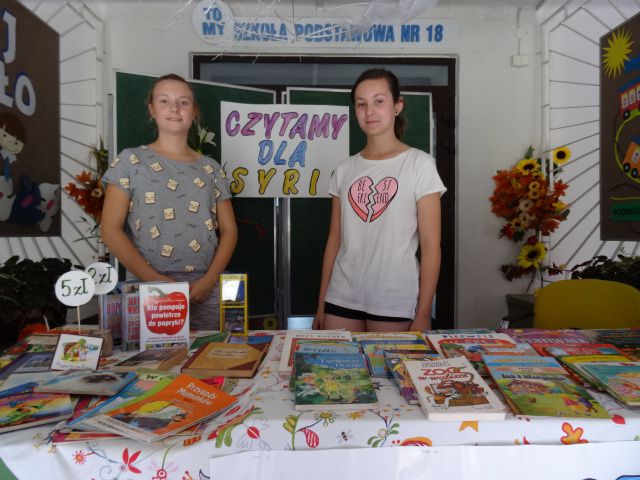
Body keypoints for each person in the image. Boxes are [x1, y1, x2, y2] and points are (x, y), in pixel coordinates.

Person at [101, 73, 238, 330]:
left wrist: (209, 280)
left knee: (207, 351)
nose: (174, 108)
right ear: (151, 110)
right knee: (152, 354)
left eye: (183, 102)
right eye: (164, 101)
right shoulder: (130, 161)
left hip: (204, 286)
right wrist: (157, 283)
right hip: (149, 287)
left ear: (194, 112)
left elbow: (229, 230)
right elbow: (110, 229)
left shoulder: (211, 168)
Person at [313, 68, 445, 333]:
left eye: (379, 101)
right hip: (341, 296)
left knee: (390, 362)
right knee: (337, 361)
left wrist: (423, 313)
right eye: (361, 104)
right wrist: (321, 304)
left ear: (397, 106)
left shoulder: (419, 164)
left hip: (393, 299)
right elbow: (334, 241)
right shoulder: (345, 170)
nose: (369, 111)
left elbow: (431, 245)